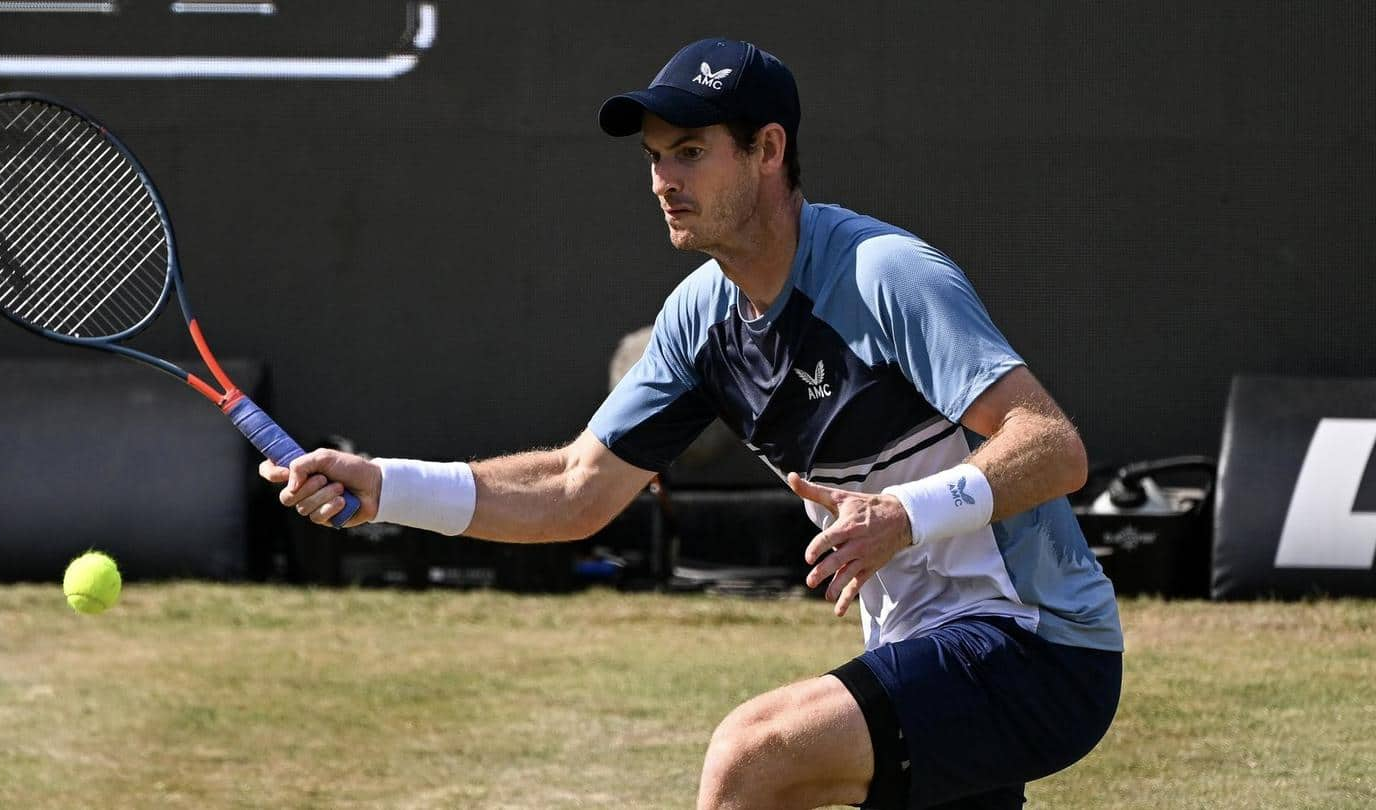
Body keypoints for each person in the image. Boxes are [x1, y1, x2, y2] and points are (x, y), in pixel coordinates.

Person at [260, 37, 1122, 810]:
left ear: (768, 152)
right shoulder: (700, 319)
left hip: (1035, 644)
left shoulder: (886, 275)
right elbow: (573, 490)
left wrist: (904, 516)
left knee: (751, 756)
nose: (663, 180)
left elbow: (1053, 446)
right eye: (655, 157)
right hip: (920, 647)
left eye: (692, 153)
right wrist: (385, 486)